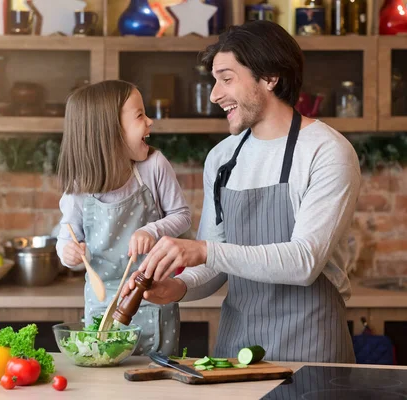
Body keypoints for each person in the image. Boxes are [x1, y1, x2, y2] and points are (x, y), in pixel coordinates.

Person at [122, 21, 361, 363]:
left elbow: (304, 262)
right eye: (214, 80)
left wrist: (204, 250)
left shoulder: (326, 151)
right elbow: (214, 267)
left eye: (227, 78)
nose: (214, 94)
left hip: (312, 350)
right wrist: (175, 288)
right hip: (235, 352)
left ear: (269, 77)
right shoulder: (222, 158)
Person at [55, 80, 191, 356]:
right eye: (140, 115)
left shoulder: (154, 166)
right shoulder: (78, 189)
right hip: (101, 307)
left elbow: (182, 216)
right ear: (109, 131)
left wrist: (152, 230)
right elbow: (66, 236)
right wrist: (68, 252)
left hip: (153, 301)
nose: (150, 121)